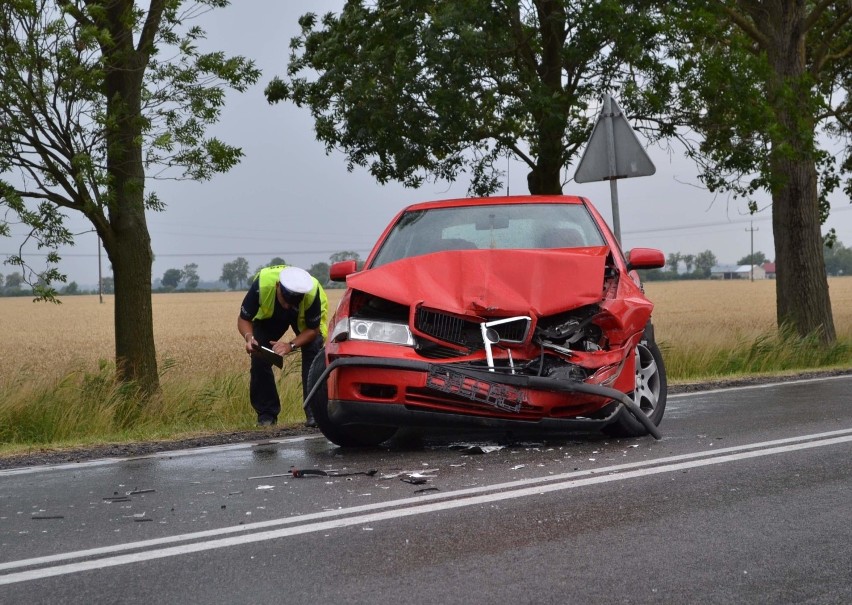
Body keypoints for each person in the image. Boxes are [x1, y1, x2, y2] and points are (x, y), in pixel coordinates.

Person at [237, 265, 328, 427]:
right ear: (277, 286)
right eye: (285, 300)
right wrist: (249, 338)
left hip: (305, 324)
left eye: (293, 302)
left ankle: (314, 412)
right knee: (259, 355)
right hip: (270, 318)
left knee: (313, 352)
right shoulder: (262, 285)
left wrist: (290, 345)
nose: (287, 305)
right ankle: (267, 415)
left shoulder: (312, 292)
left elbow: (312, 331)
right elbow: (244, 318)